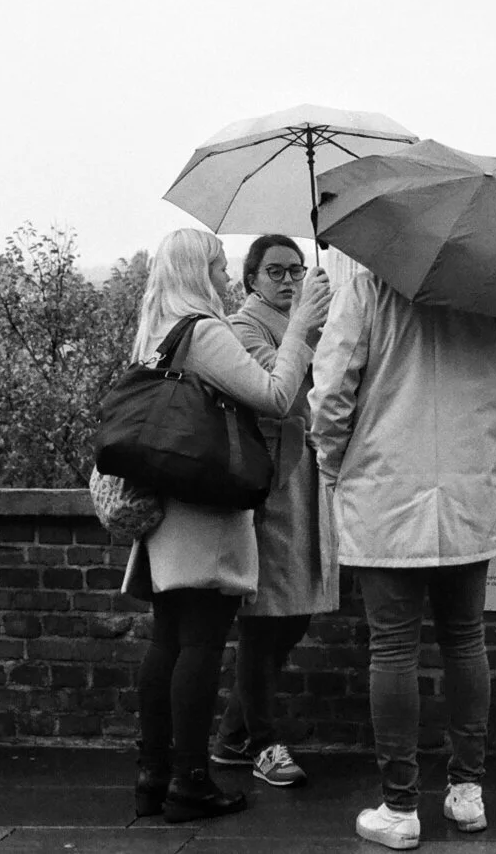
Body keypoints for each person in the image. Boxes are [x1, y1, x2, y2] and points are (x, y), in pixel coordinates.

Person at [309, 267, 496, 849]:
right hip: (468, 492)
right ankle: (467, 792)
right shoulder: (491, 291)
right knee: (466, 639)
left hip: (385, 492)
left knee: (392, 646)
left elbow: (331, 391)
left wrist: (334, 465)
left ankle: (400, 805)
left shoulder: (367, 289)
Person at [127, 228, 330, 823]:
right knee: (201, 644)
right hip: (205, 510)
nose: (223, 279)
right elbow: (274, 395)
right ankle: (191, 780)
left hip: (168, 507)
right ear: (197, 272)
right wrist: (301, 328)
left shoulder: (157, 332)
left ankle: (153, 775)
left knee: (167, 640)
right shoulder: (205, 331)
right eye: (217, 267)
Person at [210, 235, 339, 788]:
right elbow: (284, 392)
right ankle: (258, 742)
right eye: (276, 271)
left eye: (296, 270)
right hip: (272, 486)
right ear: (252, 279)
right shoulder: (243, 327)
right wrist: (309, 330)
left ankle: (233, 736)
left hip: (308, 480)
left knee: (296, 611)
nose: (288, 280)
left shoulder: (304, 325)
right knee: (266, 618)